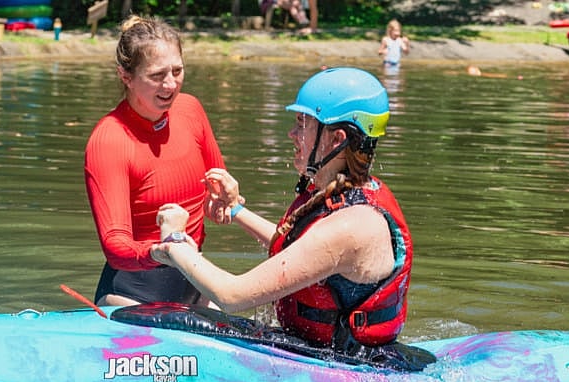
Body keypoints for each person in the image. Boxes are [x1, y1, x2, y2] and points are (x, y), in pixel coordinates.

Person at [150, 67, 413, 353]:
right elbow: (296, 248)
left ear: (336, 140)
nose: (292, 133)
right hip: (323, 353)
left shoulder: (353, 227)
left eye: (302, 123)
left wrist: (175, 242)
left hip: (350, 372)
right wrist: (236, 210)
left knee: (180, 319)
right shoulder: (346, 193)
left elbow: (231, 295)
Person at [85, 16, 227, 307]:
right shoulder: (109, 139)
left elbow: (216, 183)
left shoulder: (191, 111)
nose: (171, 84)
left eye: (177, 71)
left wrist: (224, 198)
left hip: (194, 287)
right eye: (157, 75)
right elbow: (115, 244)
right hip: (131, 298)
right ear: (126, 76)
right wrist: (162, 251)